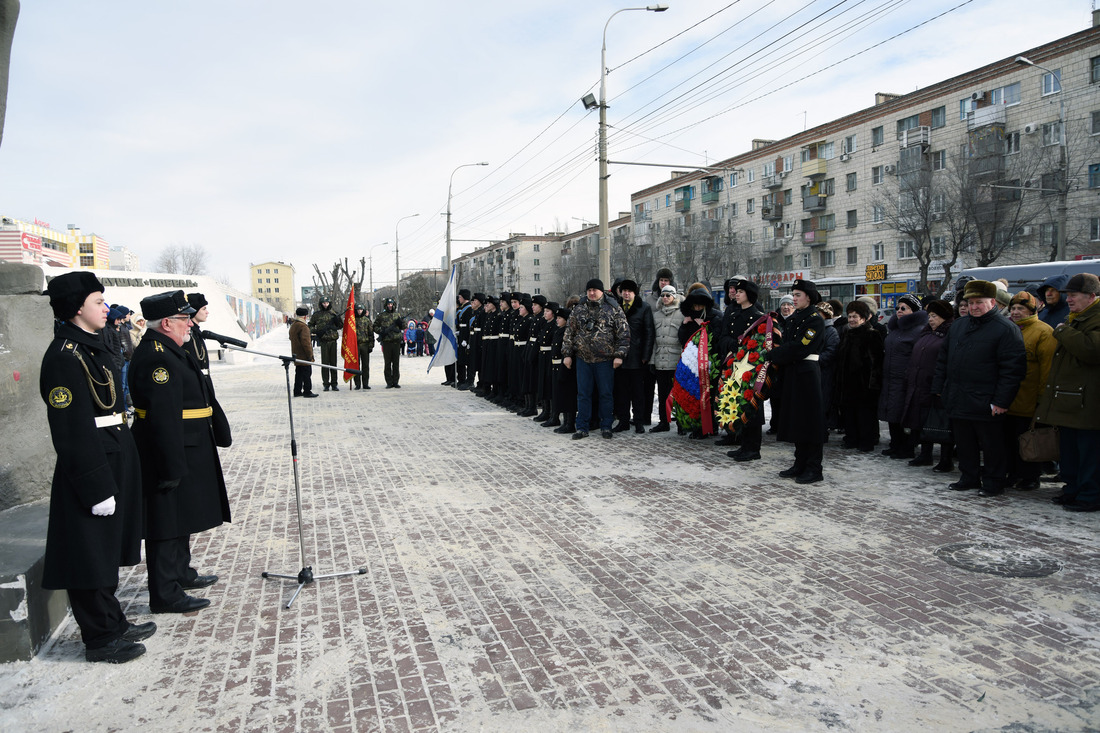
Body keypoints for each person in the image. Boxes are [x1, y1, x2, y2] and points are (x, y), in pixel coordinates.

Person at [40, 272, 152, 663]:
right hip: (92, 465)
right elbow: (71, 431)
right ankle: (100, 638)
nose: (105, 308)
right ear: (76, 309)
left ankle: (113, 621)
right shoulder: (63, 358)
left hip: (113, 453)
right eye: (97, 302)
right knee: (88, 554)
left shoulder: (91, 347)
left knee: (104, 550)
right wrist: (94, 485)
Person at [129, 290, 230, 614]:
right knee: (165, 524)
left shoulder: (170, 348)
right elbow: (162, 417)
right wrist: (170, 466)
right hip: (170, 449)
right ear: (167, 323)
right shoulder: (157, 356)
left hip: (188, 444)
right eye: (184, 319)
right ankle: (165, 592)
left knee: (180, 517)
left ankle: (181, 573)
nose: (190, 324)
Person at [931, 280, 1027, 497]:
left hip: (987, 401)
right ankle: (969, 476)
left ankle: (993, 482)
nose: (974, 307)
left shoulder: (1006, 329)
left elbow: (1012, 370)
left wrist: (1002, 401)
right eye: (970, 302)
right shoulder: (958, 326)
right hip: (958, 397)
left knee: (992, 445)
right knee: (964, 442)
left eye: (979, 302)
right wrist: (939, 389)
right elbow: (943, 360)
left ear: (993, 302)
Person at [1036, 273, 1100, 512]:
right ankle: (1073, 489)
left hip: (1088, 401)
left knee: (1089, 453)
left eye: (1074, 295)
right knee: (1070, 451)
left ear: (1091, 296)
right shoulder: (1076, 318)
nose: (1069, 300)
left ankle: (1091, 495)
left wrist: (1062, 331)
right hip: (1070, 398)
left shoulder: (1093, 318)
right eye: (1068, 296)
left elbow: (1092, 349)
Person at [765, 279, 827, 484]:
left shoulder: (814, 319)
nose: (794, 298)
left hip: (807, 373)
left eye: (798, 295)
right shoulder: (796, 318)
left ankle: (814, 467)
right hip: (794, 371)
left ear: (808, 297)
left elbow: (801, 347)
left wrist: (774, 354)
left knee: (811, 421)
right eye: (793, 294)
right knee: (799, 420)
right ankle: (800, 462)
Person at [563, 278, 630, 439]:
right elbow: (569, 333)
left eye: (595, 290)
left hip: (605, 360)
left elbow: (624, 334)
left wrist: (619, 355)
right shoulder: (579, 309)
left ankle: (606, 426)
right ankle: (582, 427)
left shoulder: (613, 308)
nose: (592, 293)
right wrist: (567, 354)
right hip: (583, 359)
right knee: (583, 394)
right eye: (589, 290)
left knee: (605, 394)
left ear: (602, 291)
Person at [1003, 291, 1056, 491]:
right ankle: (1012, 473)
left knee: (1028, 441)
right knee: (1008, 441)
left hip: (1029, 399)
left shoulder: (1044, 332)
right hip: (1008, 398)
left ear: (1032, 310)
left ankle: (1030, 476)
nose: (1016, 312)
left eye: (1021, 309)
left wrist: (1043, 400)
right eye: (1013, 308)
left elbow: (1047, 369)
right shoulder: (1008, 329)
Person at [901, 300, 954, 470]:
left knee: (941, 423)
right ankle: (925, 454)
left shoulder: (949, 334)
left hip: (937, 385)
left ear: (944, 318)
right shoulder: (925, 333)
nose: (931, 319)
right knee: (922, 420)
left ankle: (946, 459)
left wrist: (940, 384)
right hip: (919, 384)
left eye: (935, 316)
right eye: (929, 316)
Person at [717, 278, 765, 460]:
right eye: (735, 292)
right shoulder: (732, 314)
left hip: (751, 367)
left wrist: (746, 349)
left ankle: (753, 448)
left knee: (752, 405)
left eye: (740, 292)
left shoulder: (759, 316)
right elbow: (723, 337)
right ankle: (743, 444)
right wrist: (733, 345)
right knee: (738, 403)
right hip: (735, 365)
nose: (736, 294)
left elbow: (762, 344)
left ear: (749, 295)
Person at [879, 294, 929, 460]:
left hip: (905, 379)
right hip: (890, 378)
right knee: (891, 413)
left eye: (903, 308)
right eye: (898, 308)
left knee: (904, 414)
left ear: (913, 311)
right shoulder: (895, 329)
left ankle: (907, 447)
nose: (899, 311)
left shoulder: (919, 330)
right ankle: (895, 444)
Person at [834, 300, 884, 452]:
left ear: (864, 318)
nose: (852, 320)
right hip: (847, 384)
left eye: (855, 317)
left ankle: (866, 441)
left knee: (865, 416)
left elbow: (876, 363)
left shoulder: (872, 335)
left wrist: (873, 386)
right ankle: (852, 438)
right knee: (849, 414)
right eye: (849, 317)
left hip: (864, 385)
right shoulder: (847, 333)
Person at [186, 293, 232, 447]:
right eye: (204, 308)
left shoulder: (197, 334)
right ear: (194, 310)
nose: (207, 312)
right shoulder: (188, 336)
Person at [614, 279, 655, 433]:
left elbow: (649, 333)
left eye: (629, 291)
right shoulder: (616, 307)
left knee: (638, 393)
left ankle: (638, 421)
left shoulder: (643, 308)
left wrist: (646, 355)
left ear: (634, 293)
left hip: (637, 357)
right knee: (621, 392)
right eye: (624, 291)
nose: (626, 293)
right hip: (619, 357)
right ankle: (623, 421)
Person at [649, 285, 682, 434]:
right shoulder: (656, 315)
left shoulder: (681, 314)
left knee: (679, 394)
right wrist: (651, 361)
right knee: (662, 394)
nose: (666, 298)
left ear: (674, 296)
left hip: (676, 360)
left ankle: (681, 423)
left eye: (669, 295)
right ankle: (664, 421)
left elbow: (684, 340)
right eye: (663, 295)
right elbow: (652, 340)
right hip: (660, 359)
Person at [308, 297, 342, 391]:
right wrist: (316, 331)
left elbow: (340, 326)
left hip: (333, 341)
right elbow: (310, 325)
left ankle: (334, 383)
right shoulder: (317, 315)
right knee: (325, 363)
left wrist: (336, 322)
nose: (325, 305)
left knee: (333, 363)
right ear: (321, 304)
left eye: (327, 303)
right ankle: (326, 383)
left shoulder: (334, 313)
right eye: (323, 303)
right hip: (323, 341)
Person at [373, 298, 404, 388]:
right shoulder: (381, 316)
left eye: (391, 304)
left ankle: (395, 381)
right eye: (388, 304)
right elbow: (375, 326)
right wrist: (382, 331)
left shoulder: (397, 314)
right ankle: (389, 382)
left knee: (396, 363)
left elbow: (404, 326)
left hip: (396, 342)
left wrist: (400, 323)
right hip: (386, 342)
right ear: (386, 305)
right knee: (387, 363)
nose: (390, 306)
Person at [290, 306, 318, 397]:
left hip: (296, 354)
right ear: (305, 316)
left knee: (298, 374)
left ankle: (297, 391)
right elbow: (306, 343)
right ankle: (307, 391)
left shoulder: (294, 325)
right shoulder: (303, 326)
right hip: (304, 355)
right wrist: (310, 355)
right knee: (307, 374)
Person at [353, 304, 374, 390]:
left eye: (361, 310)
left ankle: (365, 383)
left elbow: (371, 334)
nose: (359, 311)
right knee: (355, 365)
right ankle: (357, 383)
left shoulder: (367, 320)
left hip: (365, 345)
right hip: (355, 345)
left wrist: (371, 345)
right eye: (358, 310)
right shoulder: (353, 320)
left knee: (365, 365)